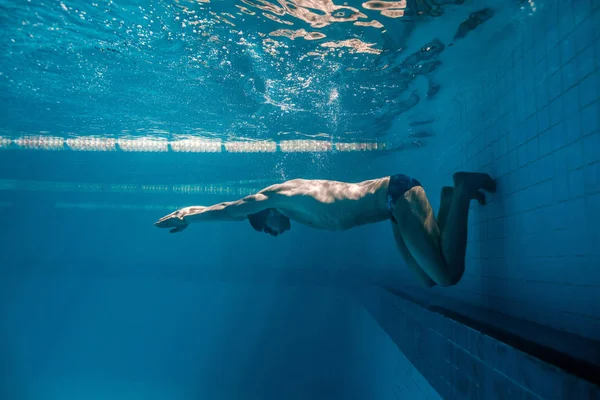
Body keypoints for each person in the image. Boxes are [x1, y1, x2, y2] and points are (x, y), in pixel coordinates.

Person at [155, 172, 496, 287]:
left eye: (266, 229)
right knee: (427, 279)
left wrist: (186, 215)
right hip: (395, 210)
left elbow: (230, 211)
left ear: (265, 212)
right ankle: (451, 197)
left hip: (397, 196)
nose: (275, 234)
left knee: (447, 276)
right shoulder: (292, 208)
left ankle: (463, 188)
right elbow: (232, 215)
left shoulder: (277, 195)